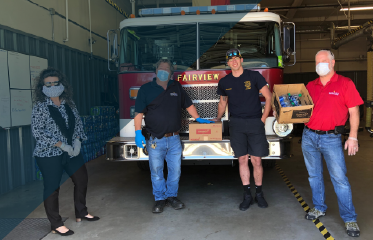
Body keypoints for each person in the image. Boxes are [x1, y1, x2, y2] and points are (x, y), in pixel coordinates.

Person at [134, 59, 213, 213]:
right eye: (161, 68)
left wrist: (197, 118)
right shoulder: (146, 89)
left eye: (167, 69)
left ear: (171, 73)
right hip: (155, 139)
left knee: (175, 171)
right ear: (156, 71)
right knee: (156, 172)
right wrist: (138, 133)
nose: (163, 71)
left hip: (174, 139)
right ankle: (159, 199)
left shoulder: (176, 87)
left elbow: (188, 104)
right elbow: (139, 113)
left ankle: (171, 197)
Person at [301, 50, 363, 237]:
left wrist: (353, 136)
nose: (320, 65)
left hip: (331, 138)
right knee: (314, 176)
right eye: (317, 62)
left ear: (332, 62)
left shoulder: (345, 84)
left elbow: (354, 112)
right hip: (309, 136)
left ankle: (350, 218)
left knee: (340, 180)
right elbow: (301, 109)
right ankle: (319, 207)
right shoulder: (310, 86)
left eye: (323, 61)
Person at [31, 68, 99, 236]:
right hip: (49, 153)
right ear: (42, 86)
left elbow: (77, 123)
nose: (52, 86)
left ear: (62, 84)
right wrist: (61, 144)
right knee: (52, 188)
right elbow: (38, 131)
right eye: (48, 83)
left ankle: (81, 212)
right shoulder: (40, 106)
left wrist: (77, 141)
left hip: (71, 150)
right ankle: (56, 223)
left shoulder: (69, 102)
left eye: (56, 82)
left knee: (81, 179)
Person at [212, 49, 272, 211]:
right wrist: (217, 119)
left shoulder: (254, 77)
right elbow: (222, 103)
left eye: (236, 58)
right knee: (242, 159)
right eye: (230, 60)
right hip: (236, 124)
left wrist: (263, 119)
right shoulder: (225, 82)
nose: (234, 62)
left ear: (241, 60)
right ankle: (247, 195)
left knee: (257, 160)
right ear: (228, 63)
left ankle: (259, 194)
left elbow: (268, 97)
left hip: (255, 123)